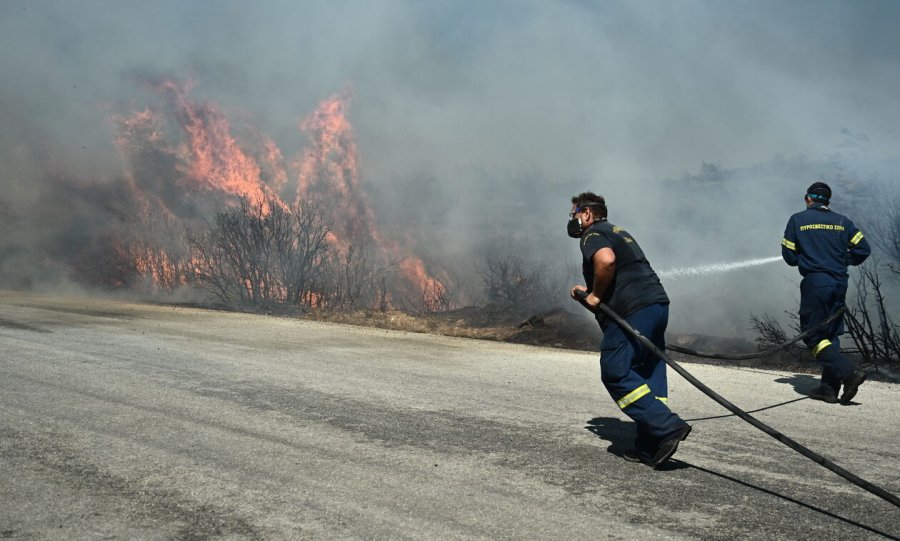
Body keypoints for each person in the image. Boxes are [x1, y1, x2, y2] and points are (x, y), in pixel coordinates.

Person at [568, 191, 691, 468]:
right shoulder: (618, 231)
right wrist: (590, 293)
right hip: (655, 305)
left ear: (586, 213)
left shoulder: (592, 234)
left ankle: (667, 426)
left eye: (574, 213)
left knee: (617, 371)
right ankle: (650, 447)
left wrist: (595, 295)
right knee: (647, 373)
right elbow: (620, 273)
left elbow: (606, 261)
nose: (572, 219)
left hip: (632, 311)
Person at [782, 182, 871, 404]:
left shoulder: (798, 220)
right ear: (827, 201)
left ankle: (849, 373)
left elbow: (790, 257)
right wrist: (842, 259)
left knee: (813, 335)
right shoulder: (843, 221)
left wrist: (808, 256)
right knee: (830, 335)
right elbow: (863, 249)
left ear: (808, 198)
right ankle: (829, 389)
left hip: (816, 283)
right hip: (839, 283)